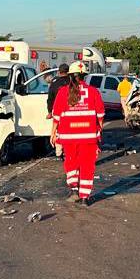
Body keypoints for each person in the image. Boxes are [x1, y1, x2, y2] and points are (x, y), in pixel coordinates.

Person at [51, 61, 105, 205]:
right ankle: (84, 198)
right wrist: (99, 131)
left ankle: (74, 189)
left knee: (71, 162)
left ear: (70, 76)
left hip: (68, 136)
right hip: (88, 136)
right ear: (84, 76)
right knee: (87, 165)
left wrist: (53, 133)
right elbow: (100, 115)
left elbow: (56, 116)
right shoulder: (93, 91)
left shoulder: (63, 92)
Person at [46, 63, 71, 158]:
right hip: (70, 110)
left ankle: (59, 150)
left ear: (59, 72)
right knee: (69, 130)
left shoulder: (55, 82)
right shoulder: (72, 82)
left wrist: (49, 111)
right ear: (68, 72)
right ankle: (69, 149)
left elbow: (50, 98)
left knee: (57, 130)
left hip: (58, 110)